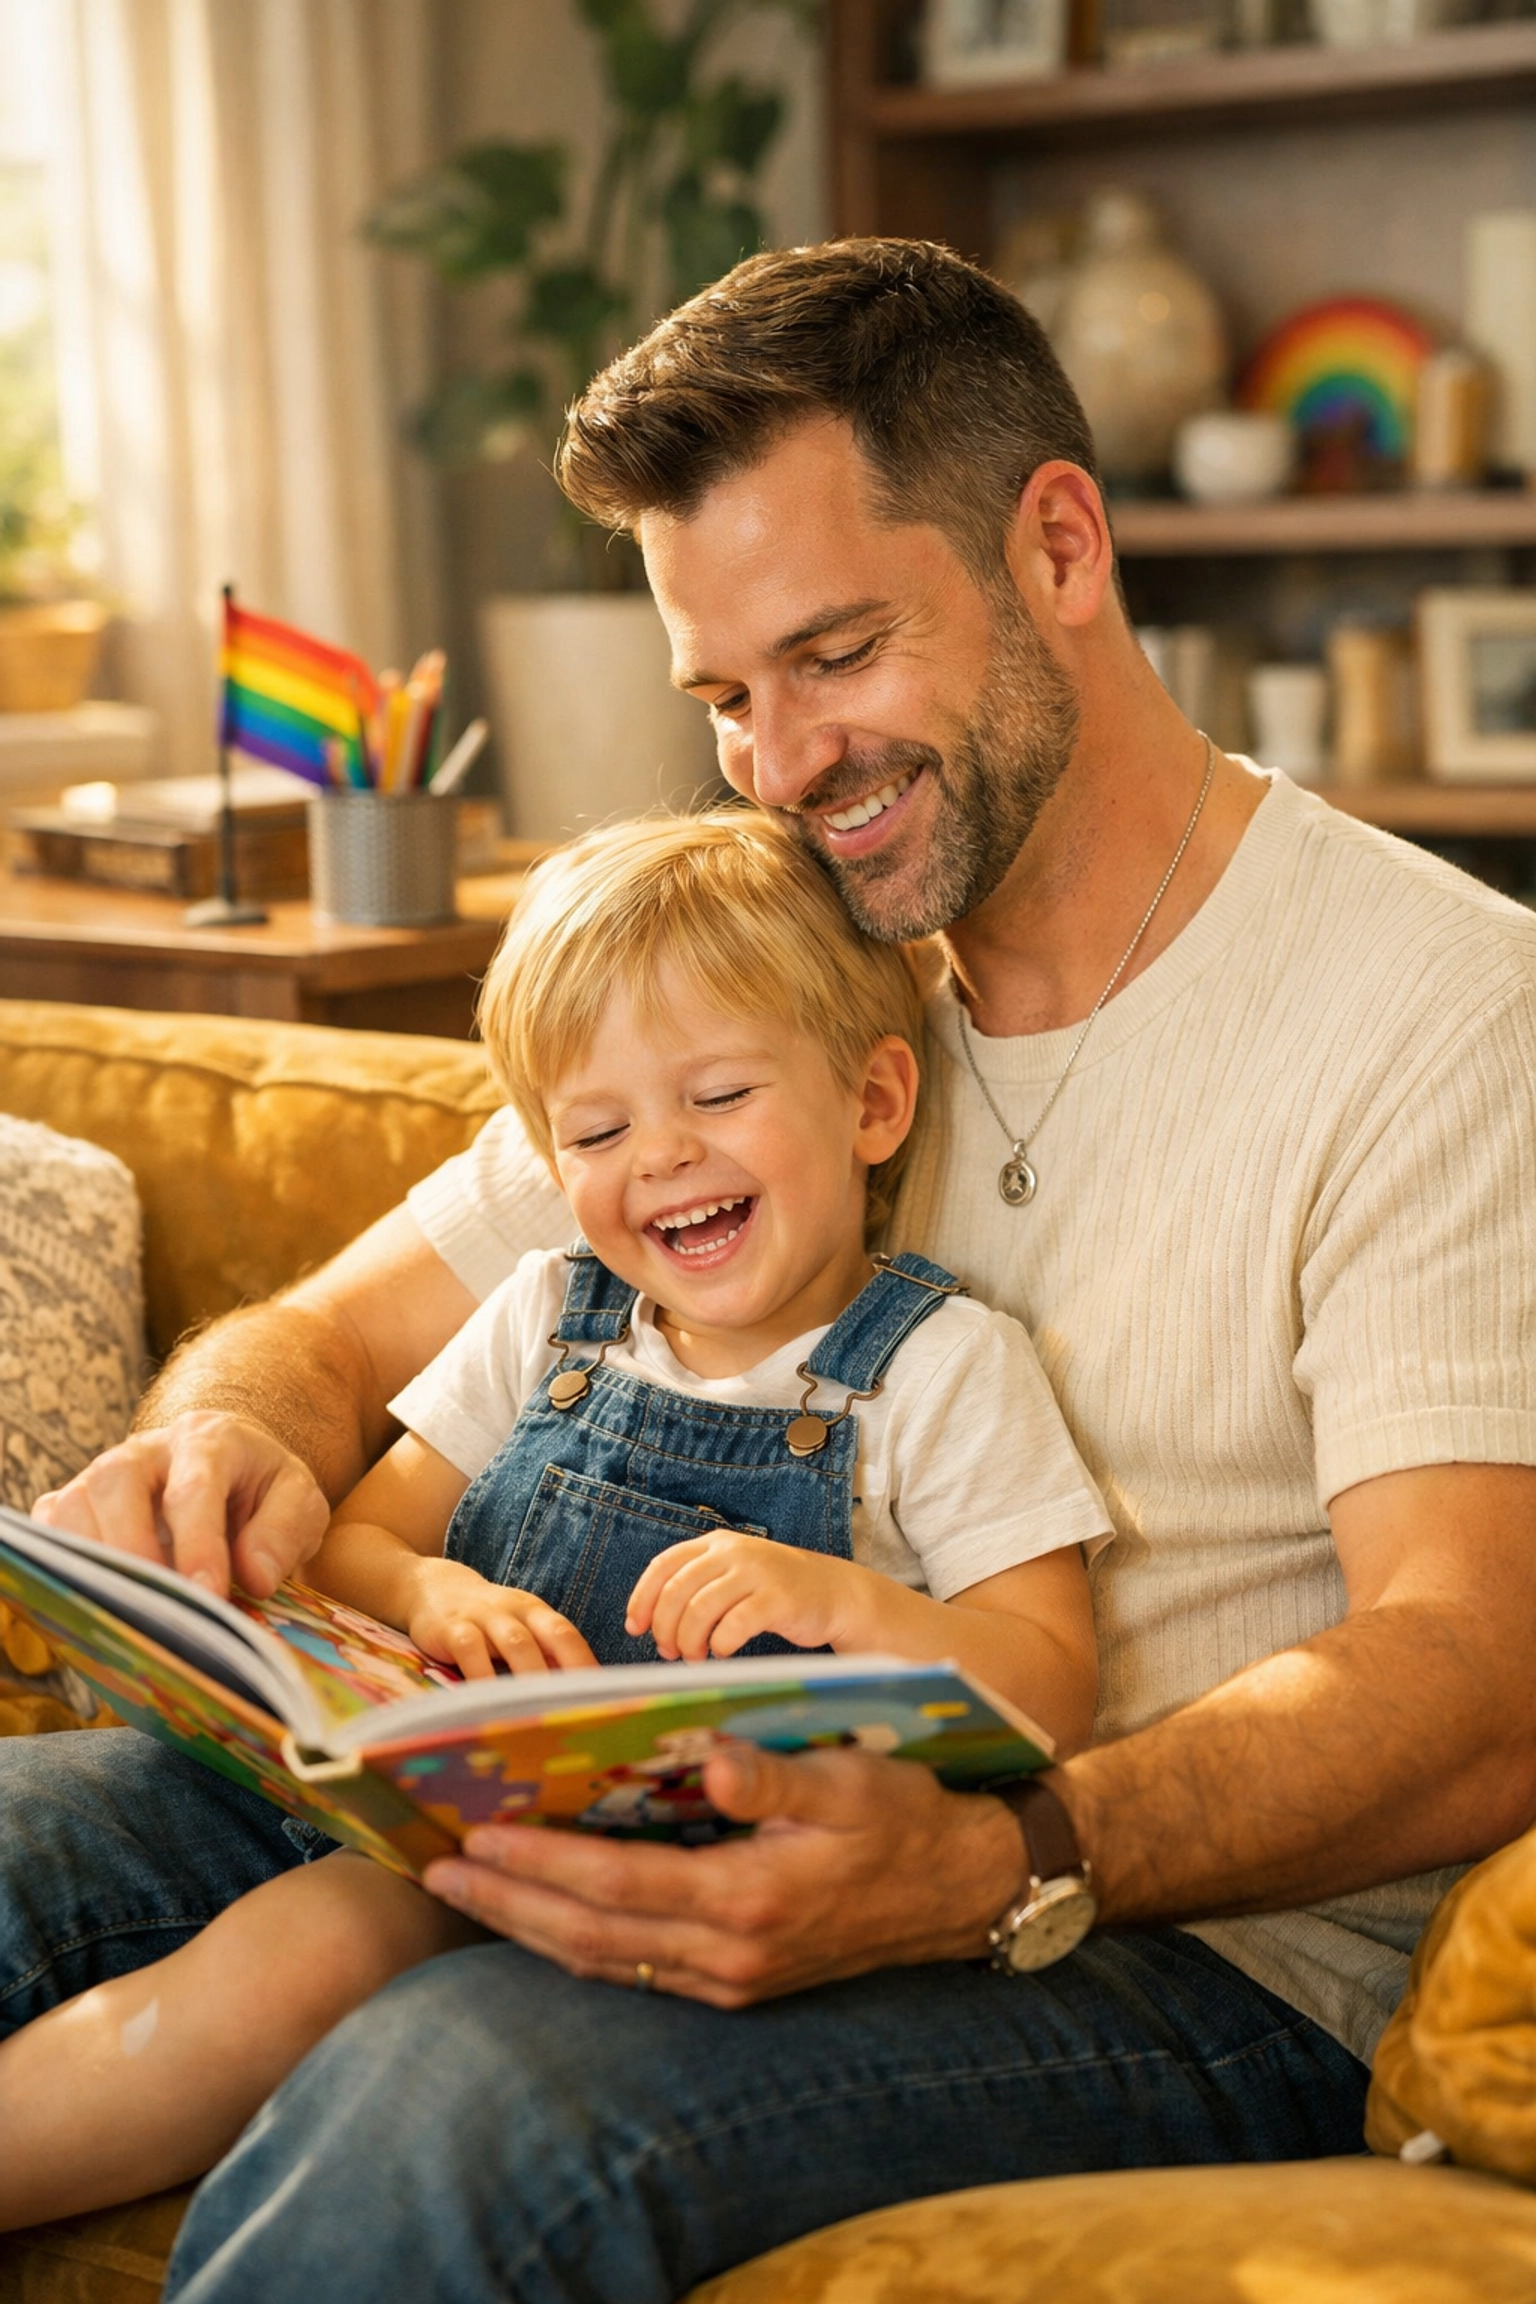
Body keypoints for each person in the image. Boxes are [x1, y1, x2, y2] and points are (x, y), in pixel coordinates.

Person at [9, 237, 1536, 2300]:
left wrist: (1008, 1848)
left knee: (462, 2109)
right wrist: (223, 1442)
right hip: (632, 1788)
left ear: (1060, 547)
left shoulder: (1438, 1012)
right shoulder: (777, 972)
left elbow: (1474, 1674)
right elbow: (320, 1339)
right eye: (726, 694)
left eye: (834, 654)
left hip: (1181, 1946)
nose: (780, 762)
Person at [0, 810, 1109, 2228]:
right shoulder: (548, 1315)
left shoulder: (943, 1366)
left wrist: (853, 1609)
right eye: (597, 1128)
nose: (659, 1157)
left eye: (717, 1096)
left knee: (312, 1959)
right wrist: (431, 1598)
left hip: (672, 1876)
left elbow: (1050, 1682)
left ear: (873, 1102)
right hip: (430, 1796)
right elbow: (356, 1538)